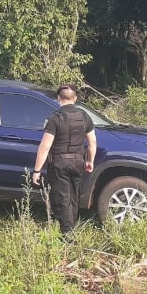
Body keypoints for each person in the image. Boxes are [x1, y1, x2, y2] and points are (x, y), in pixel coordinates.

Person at [32, 85, 97, 234]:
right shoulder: (85, 116)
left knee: (62, 198)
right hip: (78, 162)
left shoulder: (55, 118)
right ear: (75, 99)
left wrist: (37, 170)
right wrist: (90, 161)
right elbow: (92, 142)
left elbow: (45, 146)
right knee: (74, 196)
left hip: (60, 163)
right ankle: (71, 228)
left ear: (58, 99)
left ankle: (67, 234)